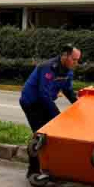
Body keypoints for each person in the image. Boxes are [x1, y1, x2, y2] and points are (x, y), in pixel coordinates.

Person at [19, 45, 81, 177]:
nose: (76, 63)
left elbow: (68, 91)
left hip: (45, 102)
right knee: (40, 133)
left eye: (77, 60)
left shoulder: (68, 71)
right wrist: (57, 115)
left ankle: (50, 167)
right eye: (74, 59)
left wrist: (80, 106)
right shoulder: (47, 67)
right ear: (65, 56)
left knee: (53, 133)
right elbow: (43, 94)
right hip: (31, 102)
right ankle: (33, 170)